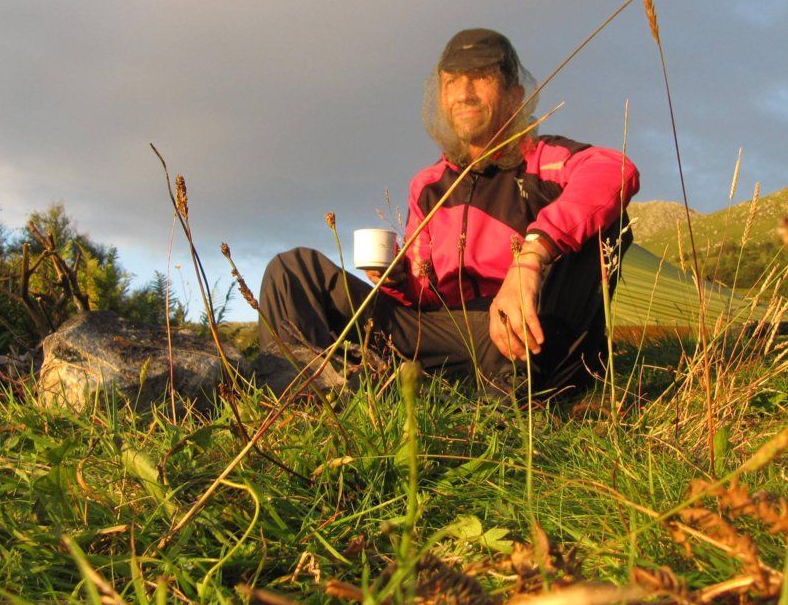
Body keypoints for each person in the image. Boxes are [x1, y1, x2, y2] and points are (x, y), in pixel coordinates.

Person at [256, 28, 639, 398]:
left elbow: (615, 170)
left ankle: (504, 391)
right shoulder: (428, 186)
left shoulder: (544, 161)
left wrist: (529, 262)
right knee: (293, 270)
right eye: (452, 81)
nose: (463, 93)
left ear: (514, 94)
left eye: (480, 78)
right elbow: (422, 301)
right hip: (444, 336)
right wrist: (399, 279)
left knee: (608, 223)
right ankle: (300, 393)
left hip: (524, 338)